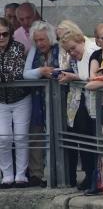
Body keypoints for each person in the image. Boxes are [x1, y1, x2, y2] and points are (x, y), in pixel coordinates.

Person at [59, 29, 100, 192]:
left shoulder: (91, 52)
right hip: (84, 102)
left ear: (82, 41)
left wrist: (73, 77)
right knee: (85, 140)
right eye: (69, 51)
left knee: (93, 143)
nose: (72, 53)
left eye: (73, 48)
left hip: (94, 103)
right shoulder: (79, 55)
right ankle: (90, 176)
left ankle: (96, 179)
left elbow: (90, 77)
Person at [22, 20, 59, 187]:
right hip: (38, 99)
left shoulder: (59, 49)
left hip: (57, 98)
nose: (39, 43)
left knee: (56, 134)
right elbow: (26, 74)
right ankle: (36, 173)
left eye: (42, 39)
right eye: (36, 40)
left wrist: (52, 71)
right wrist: (41, 71)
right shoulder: (34, 52)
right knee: (36, 134)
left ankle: (59, 174)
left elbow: (63, 68)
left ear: (50, 38)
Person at [0, 18, 31, 189]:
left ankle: (21, 175)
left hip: (20, 98)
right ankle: (7, 175)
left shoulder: (18, 47)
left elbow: (15, 72)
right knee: (3, 137)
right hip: (1, 101)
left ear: (10, 34)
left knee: (20, 137)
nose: (1, 37)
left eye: (5, 34)